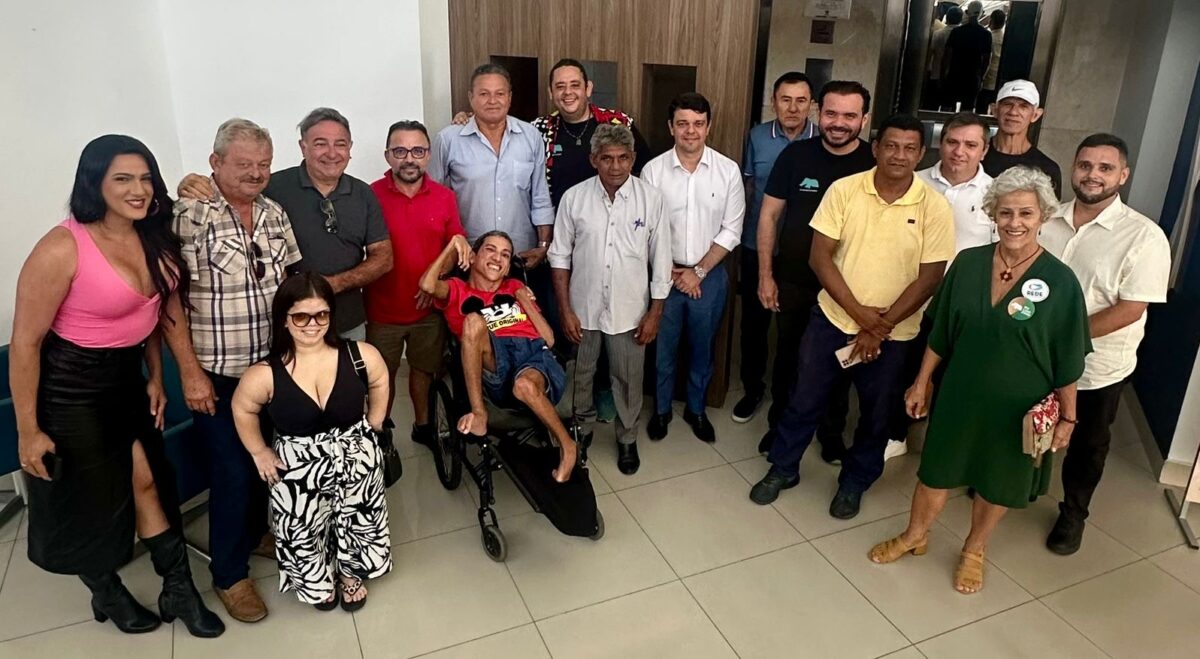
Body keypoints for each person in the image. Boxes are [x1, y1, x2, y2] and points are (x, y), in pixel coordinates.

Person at [12, 134, 224, 637]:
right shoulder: (62, 247)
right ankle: (106, 592)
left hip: (125, 378)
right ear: (95, 184)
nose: (139, 189)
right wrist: (28, 430)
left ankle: (178, 590)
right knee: (92, 494)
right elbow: (25, 343)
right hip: (70, 387)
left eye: (145, 178)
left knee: (147, 479)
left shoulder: (153, 234)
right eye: (123, 179)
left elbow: (155, 311)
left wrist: (156, 375)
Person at [869, 166, 1091, 594]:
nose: (1015, 222)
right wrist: (922, 381)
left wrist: (1068, 418)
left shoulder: (1061, 283)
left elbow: (1068, 361)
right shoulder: (968, 264)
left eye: (1026, 213)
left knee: (996, 479)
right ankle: (915, 535)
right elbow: (941, 333)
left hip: (1018, 406)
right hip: (961, 392)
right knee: (935, 472)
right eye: (1005, 212)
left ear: (1043, 216)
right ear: (992, 214)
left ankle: (974, 549)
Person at [749, 114, 955, 521]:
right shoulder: (845, 190)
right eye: (891, 146)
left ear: (920, 154)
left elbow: (931, 276)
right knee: (803, 399)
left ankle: (855, 482)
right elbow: (819, 257)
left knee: (877, 415)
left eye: (909, 148)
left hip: (895, 335)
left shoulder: (934, 206)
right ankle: (783, 468)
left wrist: (881, 327)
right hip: (833, 321)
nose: (899, 155)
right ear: (875, 148)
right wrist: (864, 318)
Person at [164, 118, 302, 623]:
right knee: (231, 471)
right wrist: (189, 373)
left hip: (272, 370)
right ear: (215, 162)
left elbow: (290, 285)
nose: (256, 173)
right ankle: (228, 574)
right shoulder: (189, 215)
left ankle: (256, 534)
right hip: (217, 373)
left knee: (270, 462)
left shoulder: (274, 212)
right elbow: (169, 301)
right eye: (244, 164)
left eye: (264, 164)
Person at [1040, 134, 1172, 555]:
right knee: (1025, 421)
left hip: (1097, 366)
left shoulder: (1144, 237)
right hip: (1034, 355)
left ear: (1123, 175)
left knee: (1087, 444)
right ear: (1073, 168)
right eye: (1085, 165)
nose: (1092, 175)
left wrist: (1064, 340)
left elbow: (1129, 309)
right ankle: (1013, 485)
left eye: (1105, 168)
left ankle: (1073, 514)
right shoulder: (1045, 219)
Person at [232, 273, 393, 611]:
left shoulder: (359, 355)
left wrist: (375, 422)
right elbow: (243, 408)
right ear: (284, 319)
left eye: (321, 314)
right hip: (297, 470)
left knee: (357, 520)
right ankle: (318, 582)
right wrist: (259, 451)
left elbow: (380, 380)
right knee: (305, 530)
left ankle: (350, 574)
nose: (312, 325)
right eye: (301, 317)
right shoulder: (265, 373)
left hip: (355, 460)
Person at [178, 108, 394, 341]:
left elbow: (384, 257)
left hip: (348, 321)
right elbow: (231, 189)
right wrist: (193, 183)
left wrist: (331, 285)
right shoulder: (271, 189)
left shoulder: (363, 193)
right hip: (290, 327)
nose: (332, 153)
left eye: (340, 144)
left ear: (350, 148)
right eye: (320, 143)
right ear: (303, 147)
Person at [754, 80, 877, 459]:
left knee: (839, 363)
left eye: (849, 115)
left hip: (848, 288)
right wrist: (765, 275)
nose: (838, 123)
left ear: (864, 119)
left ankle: (831, 433)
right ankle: (779, 427)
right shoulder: (795, 156)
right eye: (831, 113)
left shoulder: (873, 163)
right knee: (788, 359)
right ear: (819, 113)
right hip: (794, 280)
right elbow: (769, 216)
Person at [550, 124, 672, 475]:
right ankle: (581, 430)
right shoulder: (574, 198)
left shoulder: (651, 199)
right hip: (583, 309)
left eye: (622, 158)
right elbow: (559, 257)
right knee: (581, 374)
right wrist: (565, 310)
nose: (615, 166)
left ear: (632, 159)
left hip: (630, 311)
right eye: (607, 158)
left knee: (629, 378)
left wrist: (655, 313)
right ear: (594, 160)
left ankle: (627, 437)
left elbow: (662, 260)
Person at [420, 232, 578, 482]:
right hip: (495, 365)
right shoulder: (457, 289)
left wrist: (523, 298)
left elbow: (548, 339)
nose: (498, 258)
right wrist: (453, 244)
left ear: (507, 267)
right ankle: (479, 414)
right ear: (472, 257)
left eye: (505, 255)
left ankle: (567, 445)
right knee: (473, 321)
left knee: (524, 386)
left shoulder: (515, 287)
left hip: (533, 355)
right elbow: (427, 285)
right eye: (490, 250)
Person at [642, 92, 744, 442]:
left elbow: (732, 229)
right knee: (663, 350)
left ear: (708, 126)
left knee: (703, 349)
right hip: (664, 275)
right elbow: (647, 227)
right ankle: (661, 410)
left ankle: (696, 409)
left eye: (698, 124)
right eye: (683, 123)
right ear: (671, 127)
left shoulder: (727, 171)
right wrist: (669, 269)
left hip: (709, 276)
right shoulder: (653, 171)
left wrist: (697, 272)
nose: (690, 131)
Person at [364, 120, 465, 453]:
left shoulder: (445, 197)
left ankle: (423, 427)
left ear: (428, 155)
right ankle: (381, 432)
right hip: (382, 311)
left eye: (418, 151)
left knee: (424, 371)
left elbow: (455, 246)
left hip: (428, 310)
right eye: (400, 151)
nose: (409, 158)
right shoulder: (370, 196)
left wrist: (434, 281)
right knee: (382, 377)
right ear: (388, 155)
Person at [430, 63, 556, 325]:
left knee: (515, 330)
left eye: (499, 93)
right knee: (472, 329)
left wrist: (543, 246)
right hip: (468, 261)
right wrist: (442, 258)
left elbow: (540, 197)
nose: (492, 100)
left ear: (509, 97)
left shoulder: (531, 136)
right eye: (484, 94)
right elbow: (433, 201)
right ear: (471, 97)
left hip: (519, 259)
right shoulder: (449, 139)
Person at [734, 71, 820, 423]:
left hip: (805, 252)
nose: (793, 108)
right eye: (786, 100)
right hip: (758, 246)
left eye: (801, 101)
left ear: (812, 105)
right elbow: (748, 189)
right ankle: (752, 388)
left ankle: (790, 398)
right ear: (774, 102)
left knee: (797, 331)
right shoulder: (757, 137)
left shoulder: (823, 140)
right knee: (754, 325)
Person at [981, 80, 1063, 196]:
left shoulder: (1047, 168)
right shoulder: (973, 156)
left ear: (1035, 115)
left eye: (1023, 106)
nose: (1013, 112)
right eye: (1007, 104)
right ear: (995, 110)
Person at [941, 1, 992, 112]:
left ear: (967, 12)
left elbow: (947, 54)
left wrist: (944, 73)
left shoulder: (957, 32)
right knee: (967, 110)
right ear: (982, 13)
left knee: (948, 108)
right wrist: (981, 77)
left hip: (954, 75)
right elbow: (987, 59)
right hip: (973, 77)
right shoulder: (986, 34)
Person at [925, 6, 962, 110]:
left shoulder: (938, 34)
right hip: (954, 78)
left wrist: (927, 71)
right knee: (948, 109)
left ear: (947, 18)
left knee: (932, 106)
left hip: (935, 74)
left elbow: (930, 54)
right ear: (960, 19)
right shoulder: (962, 36)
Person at [976, 9, 1006, 114]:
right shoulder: (1005, 38)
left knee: (981, 107)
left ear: (991, 21)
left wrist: (981, 77)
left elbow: (985, 58)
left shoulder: (988, 37)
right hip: (999, 78)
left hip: (987, 76)